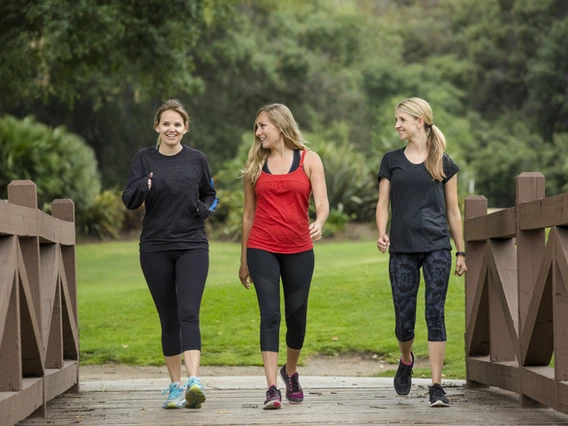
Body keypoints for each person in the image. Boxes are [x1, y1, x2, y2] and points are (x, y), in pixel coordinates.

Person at [122, 99, 218, 409]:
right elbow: (128, 199)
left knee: (189, 312)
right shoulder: (144, 159)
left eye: (177, 124)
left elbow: (211, 194)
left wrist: (204, 210)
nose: (171, 128)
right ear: (157, 127)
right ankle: (175, 387)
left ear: (185, 128)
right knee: (169, 318)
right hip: (155, 247)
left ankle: (194, 381)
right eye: (166, 123)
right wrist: (144, 186)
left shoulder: (197, 159)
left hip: (192, 244)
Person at [375, 97, 467, 408]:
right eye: (396, 119)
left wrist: (461, 251)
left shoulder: (444, 162)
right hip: (402, 248)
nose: (397, 125)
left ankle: (436, 386)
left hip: (437, 247)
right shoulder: (391, 160)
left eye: (401, 119)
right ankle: (406, 359)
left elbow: (453, 212)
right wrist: (381, 232)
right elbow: (382, 203)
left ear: (419, 121)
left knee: (435, 313)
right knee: (404, 320)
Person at [239, 103, 329, 410]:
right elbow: (248, 215)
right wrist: (243, 260)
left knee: (296, 318)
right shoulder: (254, 163)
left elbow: (323, 202)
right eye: (257, 127)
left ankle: (290, 372)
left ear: (280, 126)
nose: (258, 132)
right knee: (270, 315)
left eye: (263, 125)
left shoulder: (309, 159)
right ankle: (271, 388)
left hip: (299, 249)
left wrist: (319, 222)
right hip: (262, 246)